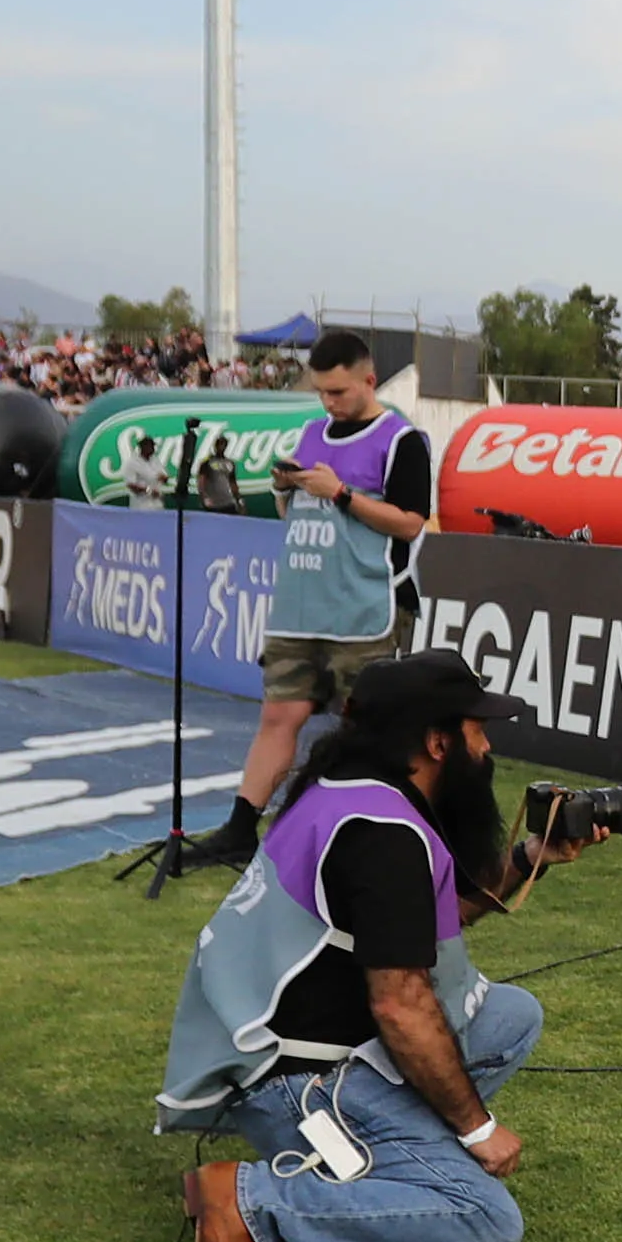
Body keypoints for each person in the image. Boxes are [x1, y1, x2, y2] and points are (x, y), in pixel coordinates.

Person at [157, 651, 597, 1242]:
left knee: (511, 1017)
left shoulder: (347, 792)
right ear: (437, 741)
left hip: (275, 1049)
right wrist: (478, 1129)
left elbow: (419, 917)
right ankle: (248, 1202)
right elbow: (399, 1004)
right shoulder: (383, 831)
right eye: (477, 729)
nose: (488, 744)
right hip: (292, 1082)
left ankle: (388, 1151)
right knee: (484, 1219)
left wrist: (533, 855)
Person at [194, 333, 437, 871]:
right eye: (322, 392)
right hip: (301, 605)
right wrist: (288, 488)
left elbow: (411, 522)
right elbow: (295, 519)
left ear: (369, 382)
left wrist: (343, 493)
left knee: (367, 728)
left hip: (367, 608)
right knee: (279, 715)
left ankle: (375, 836)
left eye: (339, 391)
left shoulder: (402, 441)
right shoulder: (309, 434)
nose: (329, 402)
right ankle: (239, 830)